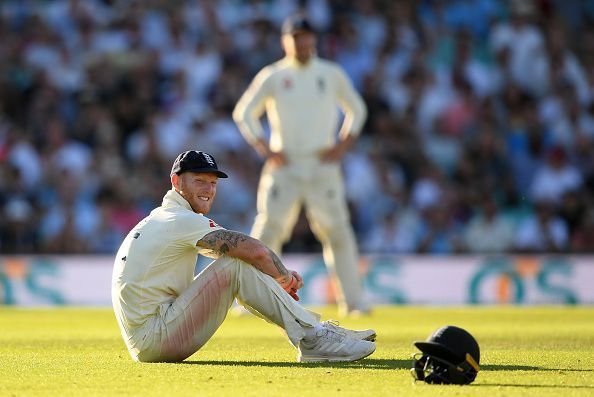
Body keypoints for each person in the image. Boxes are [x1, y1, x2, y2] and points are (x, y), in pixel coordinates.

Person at [111, 150, 377, 363]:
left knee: (236, 264)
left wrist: (271, 279)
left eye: (213, 183)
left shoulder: (161, 218)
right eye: (199, 181)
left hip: (148, 337)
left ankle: (314, 332)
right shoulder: (179, 219)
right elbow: (254, 250)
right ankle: (313, 337)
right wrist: (282, 275)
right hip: (155, 338)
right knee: (236, 264)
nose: (208, 189)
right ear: (176, 182)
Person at [232, 14, 369, 316]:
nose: (302, 42)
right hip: (286, 163)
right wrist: (263, 146)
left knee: (338, 232)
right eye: (295, 37)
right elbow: (244, 113)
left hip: (322, 163)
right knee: (268, 230)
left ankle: (354, 303)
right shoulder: (275, 75)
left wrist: (343, 144)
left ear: (314, 39)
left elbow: (357, 110)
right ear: (285, 41)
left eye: (306, 36)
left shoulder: (330, 74)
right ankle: (251, 301)